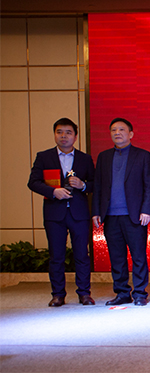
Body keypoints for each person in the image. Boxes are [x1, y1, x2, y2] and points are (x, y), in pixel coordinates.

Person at [28, 118, 96, 307]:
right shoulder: (44, 157)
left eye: (68, 132)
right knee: (56, 256)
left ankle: (84, 293)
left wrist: (83, 185)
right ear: (54, 134)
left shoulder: (85, 158)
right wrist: (53, 191)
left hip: (79, 213)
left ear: (75, 136)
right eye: (59, 132)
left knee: (82, 255)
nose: (63, 136)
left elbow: (95, 183)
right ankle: (58, 294)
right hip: (54, 214)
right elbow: (33, 182)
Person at [92, 117, 150, 306]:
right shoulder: (103, 157)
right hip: (110, 216)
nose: (117, 133)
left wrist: (146, 210)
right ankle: (122, 292)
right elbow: (98, 186)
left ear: (131, 134)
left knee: (138, 256)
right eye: (113, 130)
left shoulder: (142, 155)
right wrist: (96, 211)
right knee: (117, 257)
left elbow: (148, 186)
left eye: (121, 129)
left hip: (134, 215)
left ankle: (140, 293)